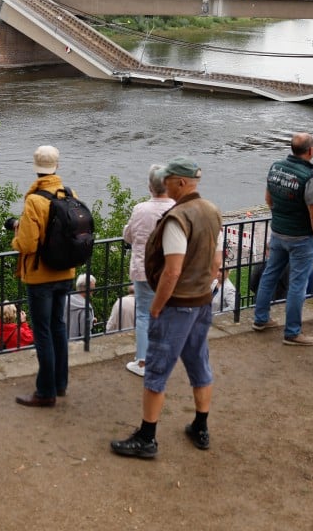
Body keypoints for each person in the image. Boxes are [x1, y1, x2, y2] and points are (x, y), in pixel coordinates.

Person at [111, 157, 222, 458]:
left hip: (177, 305)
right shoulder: (211, 211)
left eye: (170, 179)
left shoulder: (178, 219)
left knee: (156, 370)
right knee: (199, 364)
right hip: (201, 302)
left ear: (182, 183)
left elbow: (172, 271)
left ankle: (147, 438)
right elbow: (216, 263)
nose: (165, 184)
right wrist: (203, 290)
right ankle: (201, 426)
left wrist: (158, 306)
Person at [10, 145, 79, 407]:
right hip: (66, 271)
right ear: (57, 166)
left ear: (35, 166)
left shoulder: (35, 200)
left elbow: (27, 244)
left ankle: (45, 391)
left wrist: (15, 239)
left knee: (43, 333)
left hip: (40, 276)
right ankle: (60, 384)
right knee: (58, 327)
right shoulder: (69, 193)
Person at [251, 133, 313, 346]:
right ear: (310, 151)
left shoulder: (275, 167)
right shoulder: (309, 177)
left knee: (270, 274)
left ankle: (260, 319)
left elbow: (268, 199)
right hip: (302, 237)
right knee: (297, 285)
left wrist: (281, 218)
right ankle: (292, 332)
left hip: (278, 232)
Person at [121, 164, 175, 376]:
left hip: (143, 269)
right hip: (168, 269)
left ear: (150, 187)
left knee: (144, 314)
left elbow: (128, 235)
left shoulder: (140, 209)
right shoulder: (176, 208)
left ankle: (142, 361)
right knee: (164, 311)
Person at [65, 273, 98, 340]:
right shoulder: (85, 308)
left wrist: (90, 319)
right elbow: (85, 333)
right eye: (93, 288)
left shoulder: (65, 299)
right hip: (75, 346)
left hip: (61, 343)